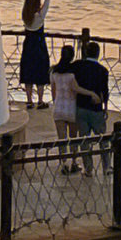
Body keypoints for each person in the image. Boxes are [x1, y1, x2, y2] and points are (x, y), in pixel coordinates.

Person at [71, 40, 109, 176]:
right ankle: (107, 167)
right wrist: (105, 108)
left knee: (84, 140)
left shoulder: (77, 66)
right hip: (96, 109)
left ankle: (88, 169)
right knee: (103, 139)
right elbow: (105, 92)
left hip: (80, 107)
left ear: (85, 53)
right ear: (98, 54)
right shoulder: (103, 71)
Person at [19, 0, 51, 109]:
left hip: (28, 46)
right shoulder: (40, 16)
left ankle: (29, 100)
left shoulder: (25, 15)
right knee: (40, 73)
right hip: (39, 46)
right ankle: (40, 100)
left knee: (28, 73)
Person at [50, 44, 80, 172]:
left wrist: (55, 101)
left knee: (62, 138)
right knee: (73, 138)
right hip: (71, 107)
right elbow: (76, 90)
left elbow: (53, 91)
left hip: (59, 107)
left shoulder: (53, 71)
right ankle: (74, 162)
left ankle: (64, 164)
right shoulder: (74, 72)